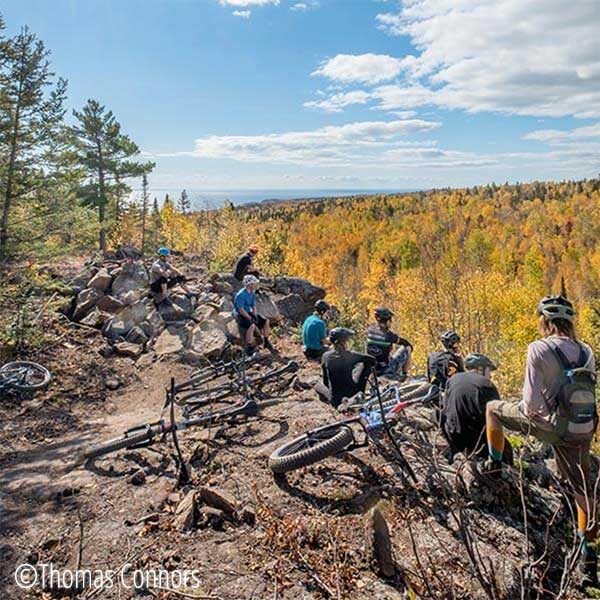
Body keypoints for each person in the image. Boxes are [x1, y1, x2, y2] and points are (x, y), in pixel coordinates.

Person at [484, 295, 598, 584]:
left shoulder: (538, 348)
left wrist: (525, 410)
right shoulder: (587, 351)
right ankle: (590, 558)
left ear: (545, 321)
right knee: (583, 490)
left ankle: (494, 466)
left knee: (492, 410)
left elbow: (532, 407)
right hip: (582, 429)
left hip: (552, 428)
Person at [441, 353, 512, 464]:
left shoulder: (452, 379)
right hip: (474, 442)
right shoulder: (486, 384)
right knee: (507, 449)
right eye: (489, 371)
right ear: (480, 369)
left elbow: (445, 408)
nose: (491, 376)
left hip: (452, 437)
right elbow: (495, 421)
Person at [315, 327, 376, 409]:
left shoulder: (325, 356)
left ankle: (325, 399)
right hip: (353, 394)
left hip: (336, 400)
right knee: (366, 363)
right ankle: (361, 391)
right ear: (342, 343)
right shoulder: (350, 355)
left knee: (317, 385)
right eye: (346, 341)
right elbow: (372, 359)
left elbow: (326, 381)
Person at [366, 307, 412, 379]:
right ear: (387, 321)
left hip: (372, 369)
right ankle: (404, 375)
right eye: (390, 320)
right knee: (407, 348)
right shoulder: (389, 336)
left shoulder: (370, 330)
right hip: (386, 370)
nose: (391, 322)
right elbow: (406, 343)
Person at [233, 274, 275, 355]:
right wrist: (249, 318)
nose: (256, 285)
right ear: (250, 285)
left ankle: (266, 341)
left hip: (248, 311)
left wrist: (255, 315)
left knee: (266, 321)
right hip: (239, 314)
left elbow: (253, 305)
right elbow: (240, 310)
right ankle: (249, 347)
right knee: (251, 325)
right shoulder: (240, 295)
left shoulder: (251, 292)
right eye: (254, 283)